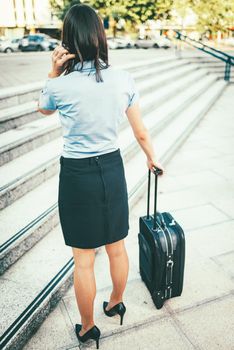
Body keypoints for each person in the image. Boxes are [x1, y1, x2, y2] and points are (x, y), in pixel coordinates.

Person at [37, 3, 164, 349]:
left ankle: (88, 326)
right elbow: (139, 131)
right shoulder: (122, 79)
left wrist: (53, 70)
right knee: (117, 248)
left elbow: (43, 108)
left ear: (69, 40)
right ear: (99, 35)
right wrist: (152, 158)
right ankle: (115, 303)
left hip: (76, 175)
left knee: (83, 259)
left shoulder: (61, 86)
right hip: (112, 168)